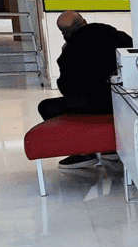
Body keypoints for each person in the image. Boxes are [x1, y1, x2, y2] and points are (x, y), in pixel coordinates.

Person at [38, 11, 132, 169]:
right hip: (125, 101)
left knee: (46, 106)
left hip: (95, 105)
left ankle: (82, 153)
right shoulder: (119, 36)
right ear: (85, 21)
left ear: (64, 33)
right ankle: (110, 149)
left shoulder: (70, 51)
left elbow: (67, 89)